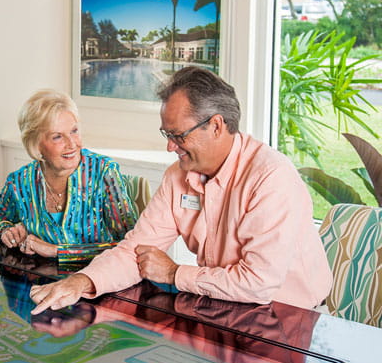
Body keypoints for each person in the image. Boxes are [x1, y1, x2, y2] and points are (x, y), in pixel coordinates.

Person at [30, 66, 332, 313]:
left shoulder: (271, 177)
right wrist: (81, 282)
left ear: (216, 126)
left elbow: (258, 283)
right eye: (166, 133)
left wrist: (175, 274)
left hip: (291, 318)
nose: (169, 146)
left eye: (177, 135)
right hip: (223, 307)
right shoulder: (178, 175)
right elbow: (135, 251)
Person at [0, 89, 137, 266]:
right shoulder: (19, 183)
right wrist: (6, 230)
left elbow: (130, 244)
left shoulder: (103, 172)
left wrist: (57, 251)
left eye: (74, 131)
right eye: (57, 136)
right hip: (42, 281)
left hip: (100, 280)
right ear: (36, 145)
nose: (72, 143)